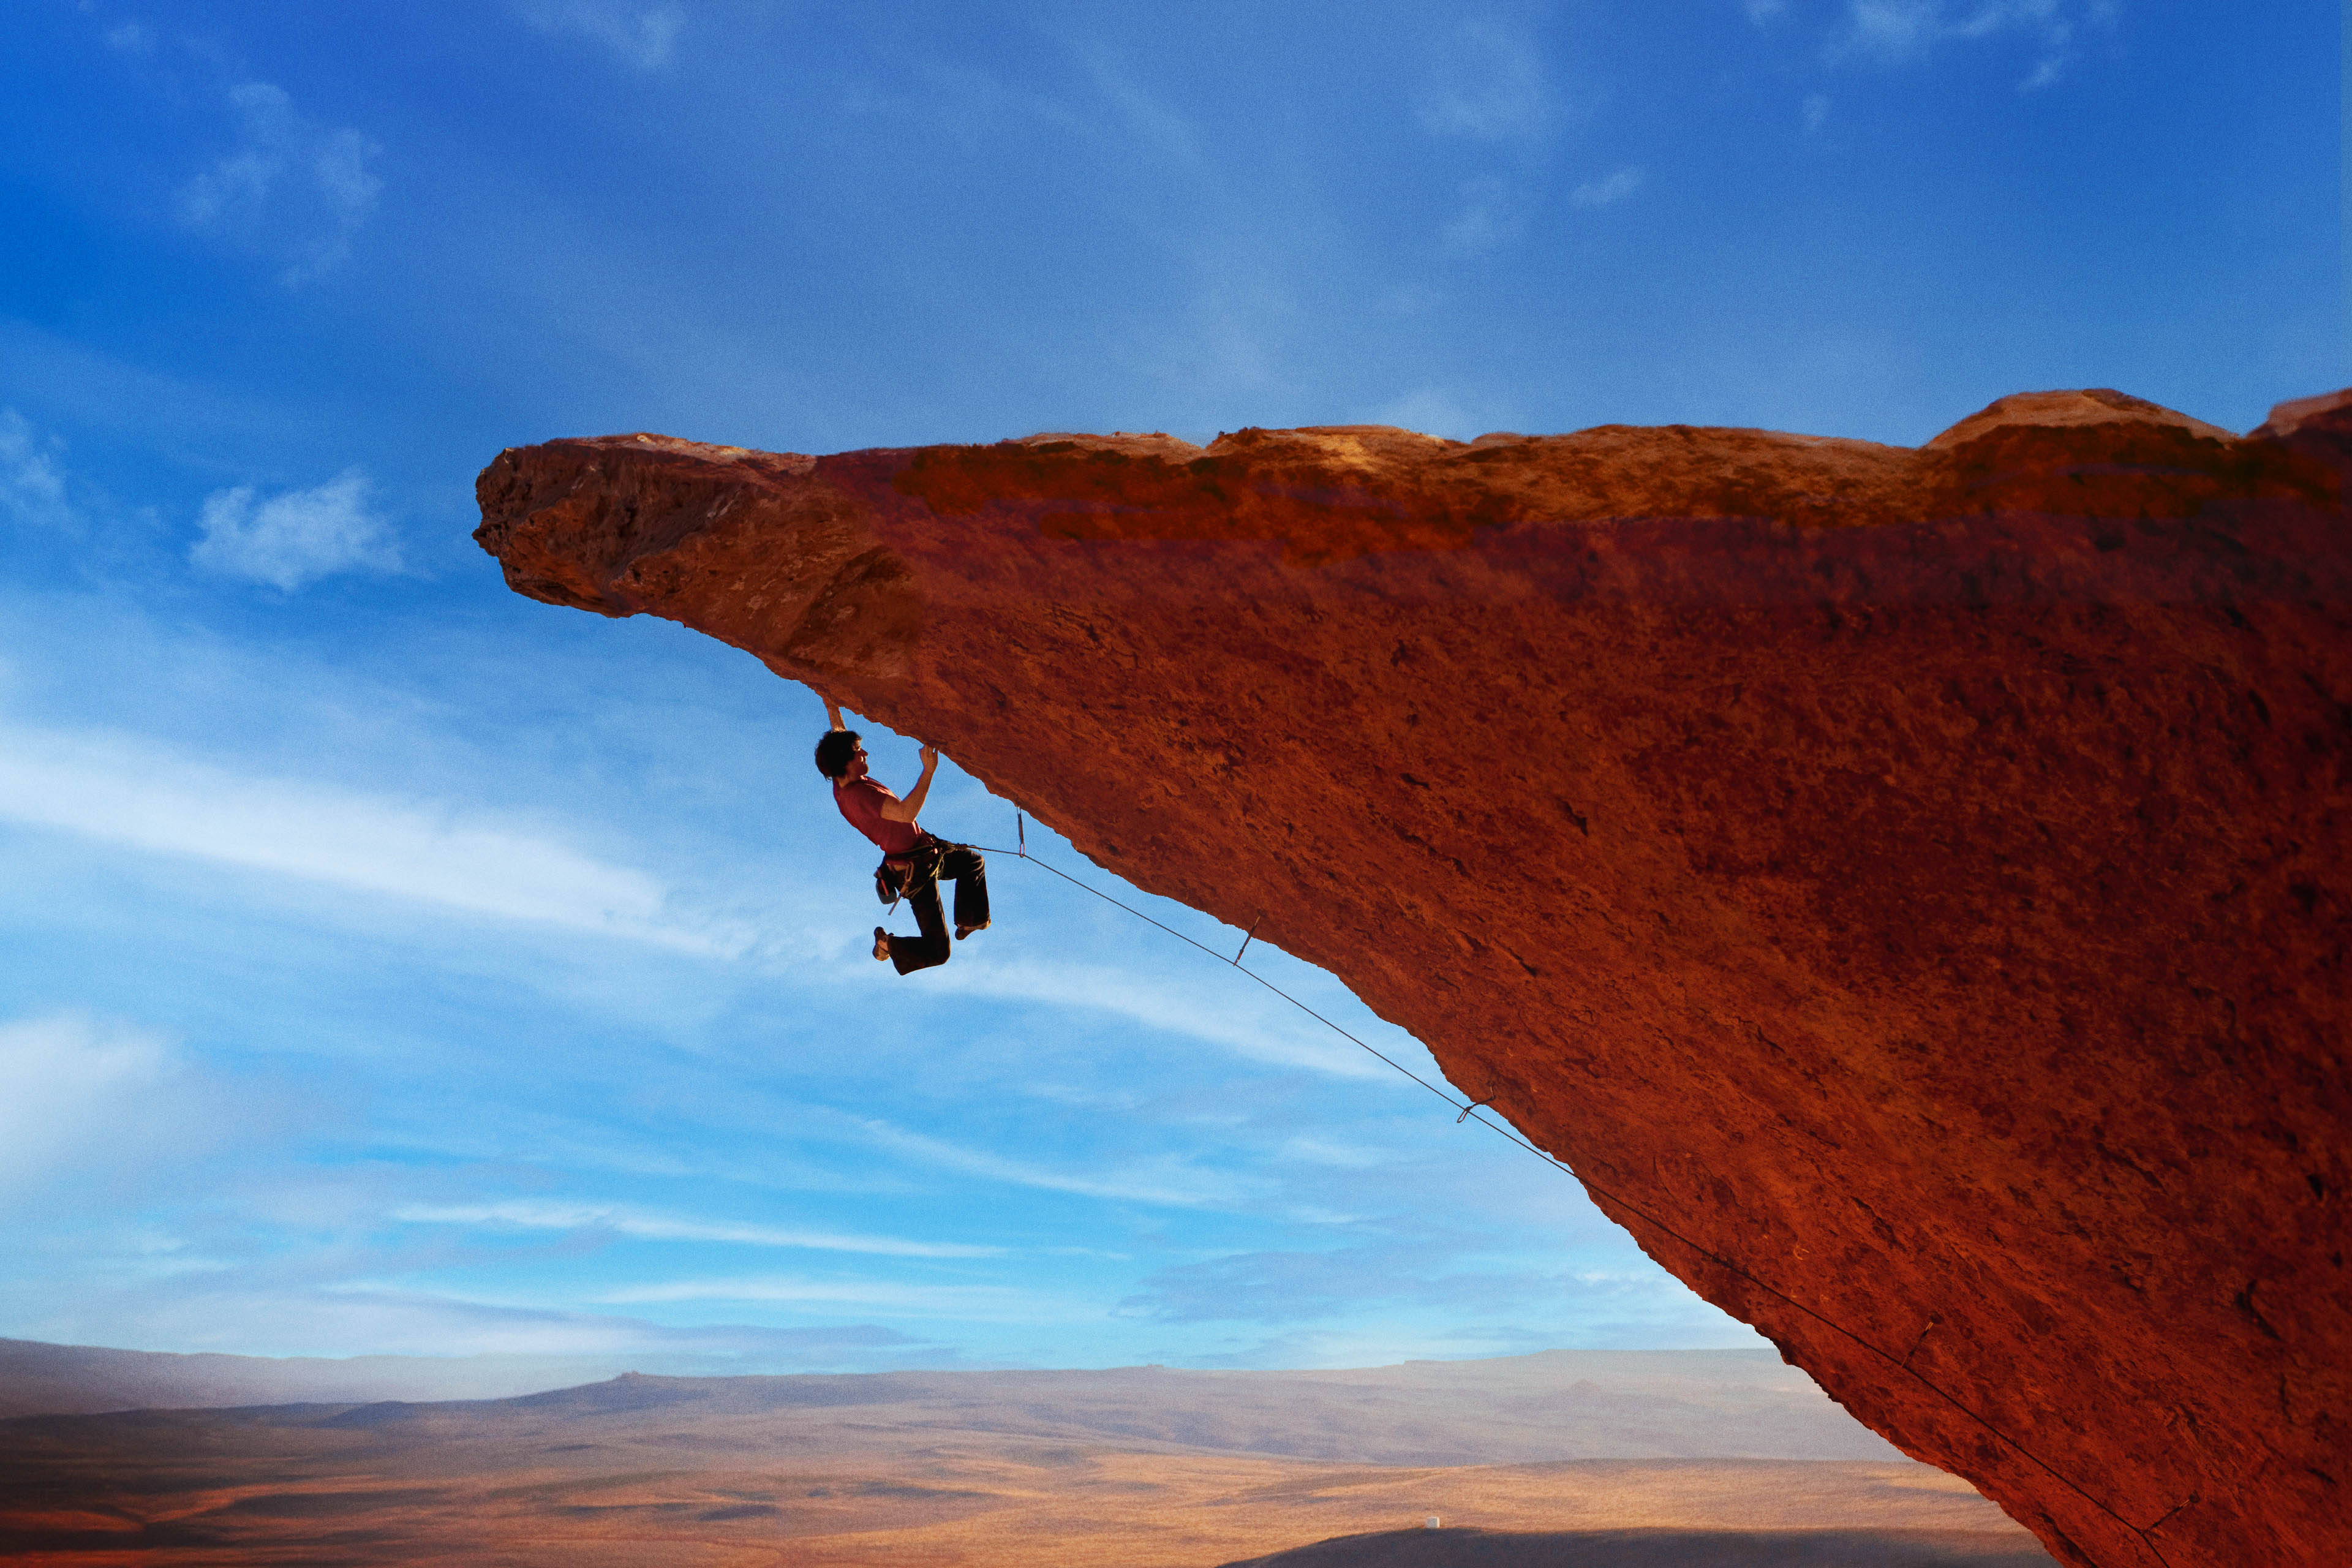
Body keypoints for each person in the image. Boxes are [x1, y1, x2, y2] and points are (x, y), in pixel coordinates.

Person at [815, 696, 989, 975]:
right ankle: (887, 946)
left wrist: (831, 705)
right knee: (939, 952)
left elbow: (838, 738)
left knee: (972, 862)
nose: (865, 754)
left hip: (925, 853)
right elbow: (907, 813)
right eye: (859, 751)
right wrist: (928, 771)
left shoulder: (842, 781)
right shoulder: (861, 797)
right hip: (914, 872)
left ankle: (970, 921)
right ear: (845, 763)